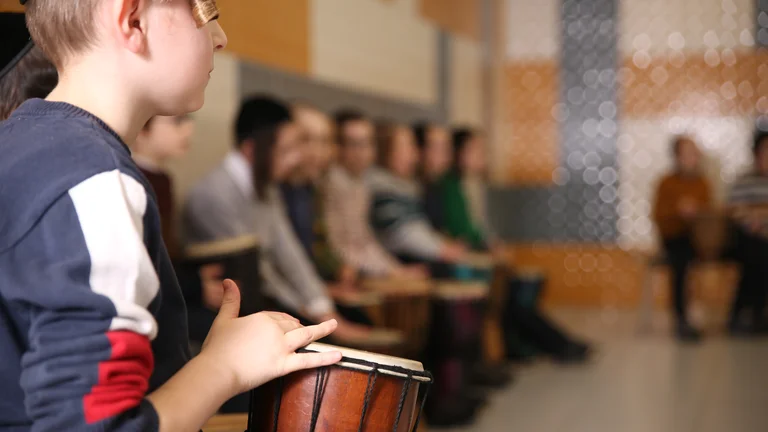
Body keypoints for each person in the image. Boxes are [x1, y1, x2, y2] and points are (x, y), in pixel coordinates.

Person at [0, 3, 339, 431]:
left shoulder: (22, 144)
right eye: (206, 10)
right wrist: (224, 368)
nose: (221, 37)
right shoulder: (94, 183)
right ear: (133, 20)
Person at [184, 96, 370, 341]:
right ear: (251, 149)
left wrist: (323, 308)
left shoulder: (267, 187)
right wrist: (309, 313)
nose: (295, 159)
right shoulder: (212, 195)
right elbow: (259, 271)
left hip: (269, 301)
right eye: (285, 150)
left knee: (357, 320)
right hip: (240, 310)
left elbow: (289, 253)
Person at [325, 110, 425, 278]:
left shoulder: (360, 181)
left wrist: (394, 269)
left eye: (368, 143)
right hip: (344, 274)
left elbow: (365, 238)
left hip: (363, 269)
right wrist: (391, 271)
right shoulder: (332, 183)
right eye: (354, 144)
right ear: (338, 147)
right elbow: (340, 246)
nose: (362, 152)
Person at [368, 122, 466, 272]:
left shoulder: (408, 186)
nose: (414, 154)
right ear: (386, 150)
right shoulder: (381, 186)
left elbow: (419, 226)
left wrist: (441, 246)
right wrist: (439, 249)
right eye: (406, 147)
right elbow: (400, 233)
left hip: (410, 261)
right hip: (397, 262)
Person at [652, 136, 712, 341]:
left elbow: (710, 216)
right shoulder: (666, 183)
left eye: (694, 153)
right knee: (680, 258)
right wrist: (679, 212)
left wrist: (697, 212)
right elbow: (659, 218)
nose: (692, 158)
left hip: (700, 239)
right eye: (687, 153)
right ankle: (681, 319)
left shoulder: (703, 183)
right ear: (677, 157)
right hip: (674, 238)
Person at [726, 130, 768, 335]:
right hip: (747, 239)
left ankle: (751, 313)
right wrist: (753, 221)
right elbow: (734, 212)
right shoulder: (744, 181)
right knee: (758, 254)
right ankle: (748, 313)